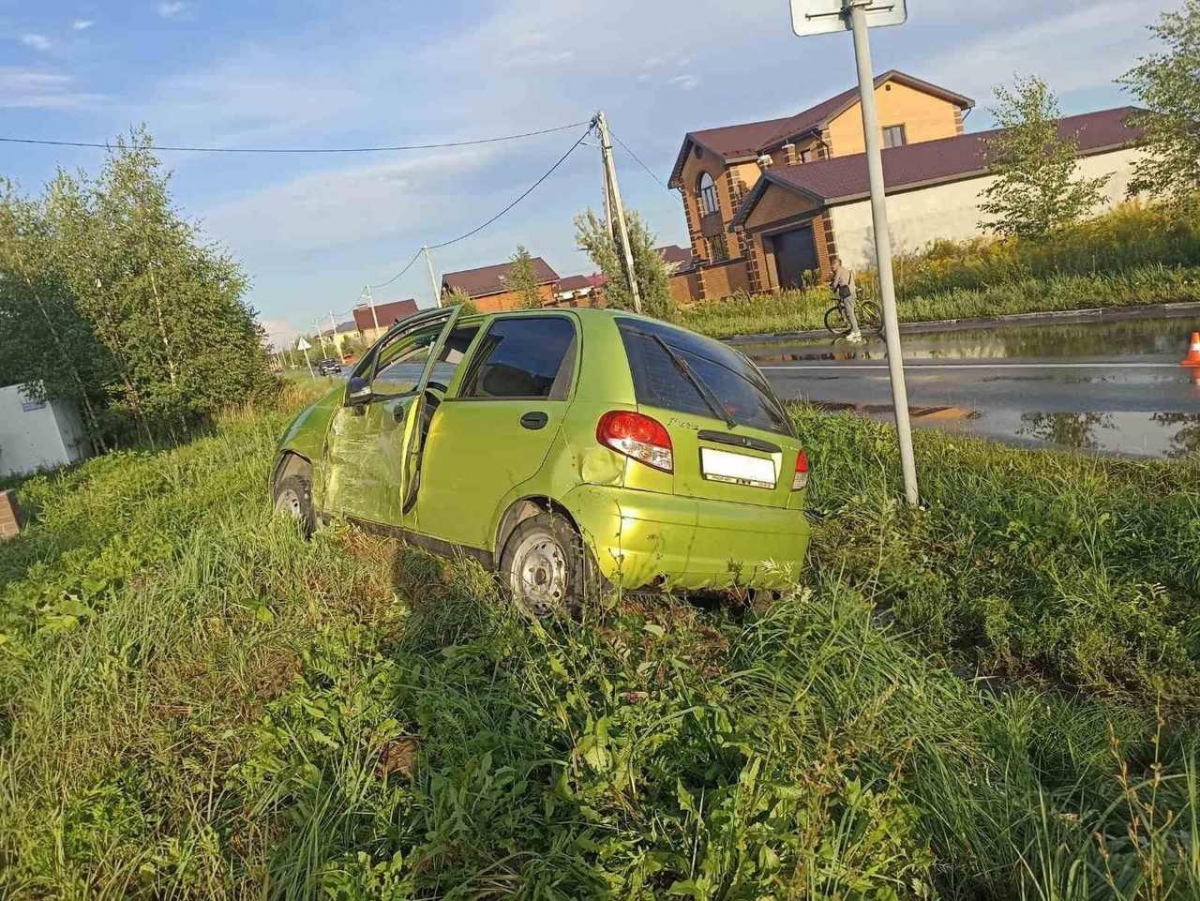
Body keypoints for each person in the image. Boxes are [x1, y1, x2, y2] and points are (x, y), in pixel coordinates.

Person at [830, 256, 863, 344]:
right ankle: (853, 329)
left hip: (848, 294)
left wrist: (832, 288)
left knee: (850, 313)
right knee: (849, 312)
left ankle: (856, 332)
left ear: (838, 264)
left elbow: (835, 283)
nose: (832, 266)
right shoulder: (845, 270)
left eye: (833, 264)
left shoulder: (839, 271)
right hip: (851, 292)